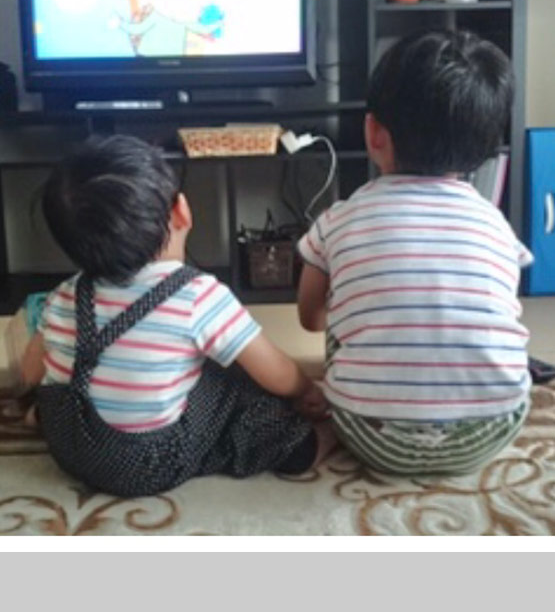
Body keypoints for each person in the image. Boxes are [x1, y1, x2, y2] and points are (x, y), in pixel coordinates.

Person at [20, 135, 333, 498]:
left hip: (69, 448)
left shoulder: (65, 294)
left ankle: (45, 419)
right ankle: (306, 445)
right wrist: (306, 389)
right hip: (149, 464)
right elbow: (275, 371)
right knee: (235, 383)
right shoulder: (197, 295)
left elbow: (30, 371)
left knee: (70, 379)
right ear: (181, 210)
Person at [297, 30, 533, 476]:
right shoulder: (496, 225)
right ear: (486, 148)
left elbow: (310, 318)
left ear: (373, 133)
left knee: (344, 310)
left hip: (370, 434)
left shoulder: (338, 220)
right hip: (490, 431)